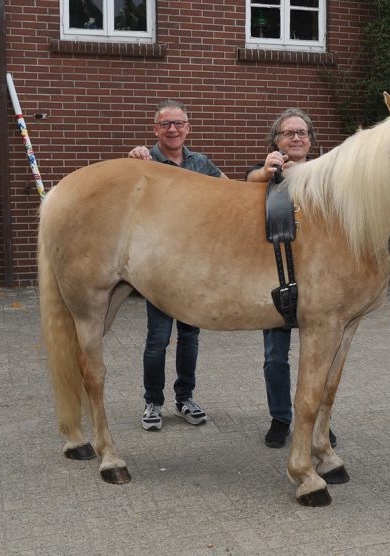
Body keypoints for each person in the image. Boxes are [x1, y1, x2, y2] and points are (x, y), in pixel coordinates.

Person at [127, 99, 228, 431]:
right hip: (157, 266)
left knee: (190, 336)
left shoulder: (200, 163)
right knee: (157, 338)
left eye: (178, 123)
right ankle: (153, 403)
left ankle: (185, 398)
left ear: (188, 127)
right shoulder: (145, 160)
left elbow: (229, 191)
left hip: (193, 266)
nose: (172, 129)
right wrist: (132, 158)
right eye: (165, 124)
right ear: (156, 129)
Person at [245, 108, 337, 449]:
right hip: (276, 280)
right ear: (276, 141)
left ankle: (316, 422)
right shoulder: (265, 170)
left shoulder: (327, 173)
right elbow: (246, 185)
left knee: (322, 357)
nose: (296, 138)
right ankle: (281, 418)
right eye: (288, 133)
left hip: (319, 284)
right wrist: (266, 172)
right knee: (274, 357)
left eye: (302, 133)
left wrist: (306, 173)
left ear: (311, 140)